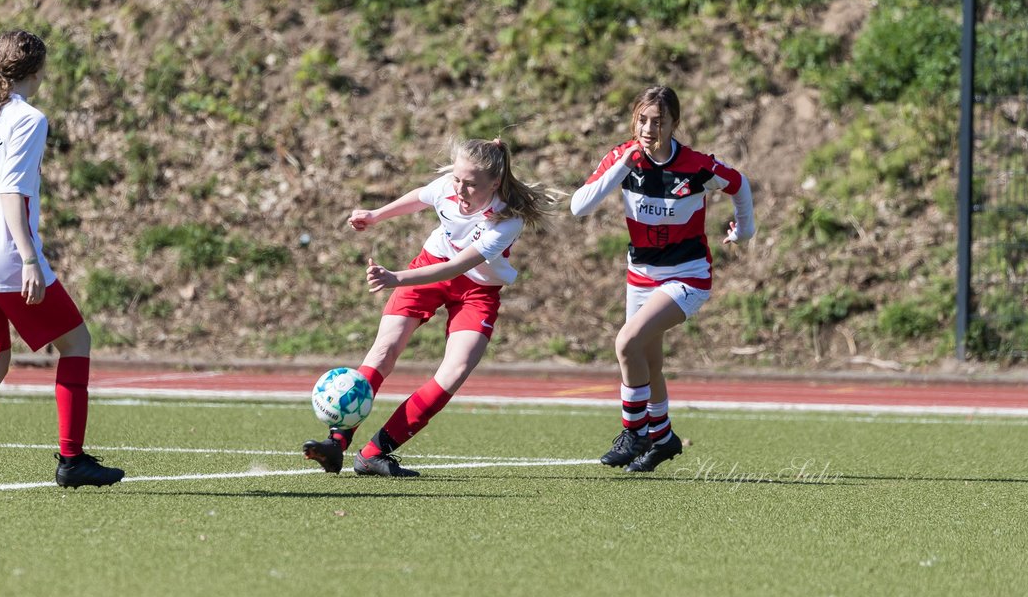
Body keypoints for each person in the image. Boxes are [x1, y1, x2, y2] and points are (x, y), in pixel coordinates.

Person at [0, 30, 124, 492]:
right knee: (76, 343)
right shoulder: (28, 119)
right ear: (38, 71)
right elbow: (11, 192)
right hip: (9, 259)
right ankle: (72, 460)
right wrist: (29, 259)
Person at [302, 138, 552, 477]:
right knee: (383, 352)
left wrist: (396, 278)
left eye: (471, 184)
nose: (460, 190)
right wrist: (375, 215)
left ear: (495, 182)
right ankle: (335, 443)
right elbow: (421, 195)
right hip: (429, 265)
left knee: (455, 370)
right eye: (457, 180)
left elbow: (457, 267)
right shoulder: (449, 188)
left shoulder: (507, 220)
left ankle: (374, 453)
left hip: (476, 290)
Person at [570, 85, 754, 473]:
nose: (649, 128)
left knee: (626, 342)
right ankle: (665, 438)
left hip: (687, 276)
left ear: (674, 124)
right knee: (647, 362)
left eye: (659, 121)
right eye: (643, 119)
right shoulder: (623, 158)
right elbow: (579, 207)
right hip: (640, 277)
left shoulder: (696, 165)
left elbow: (738, 184)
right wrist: (623, 164)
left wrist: (745, 230)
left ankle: (634, 431)